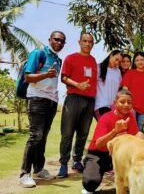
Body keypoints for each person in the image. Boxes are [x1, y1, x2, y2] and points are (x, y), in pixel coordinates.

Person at [19, 31, 66, 188]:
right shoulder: (38, 53)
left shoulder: (58, 60)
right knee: (35, 136)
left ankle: (38, 169)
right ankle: (24, 173)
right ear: (50, 39)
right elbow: (28, 77)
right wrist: (46, 74)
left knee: (43, 137)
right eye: (56, 39)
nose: (59, 43)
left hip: (51, 102)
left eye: (62, 41)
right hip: (37, 99)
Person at [81, 89, 144, 194]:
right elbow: (99, 144)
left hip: (119, 155)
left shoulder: (130, 117)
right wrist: (115, 131)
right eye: (122, 102)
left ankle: (131, 183)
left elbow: (136, 136)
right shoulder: (105, 118)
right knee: (90, 183)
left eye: (129, 102)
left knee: (140, 135)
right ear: (115, 103)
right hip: (99, 154)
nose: (126, 105)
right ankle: (89, 166)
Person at [57, 33, 97, 178]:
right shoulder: (71, 58)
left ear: (92, 44)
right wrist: (78, 85)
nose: (87, 44)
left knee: (83, 134)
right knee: (67, 133)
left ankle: (77, 161)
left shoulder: (93, 61)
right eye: (84, 41)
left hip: (90, 100)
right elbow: (63, 78)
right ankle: (63, 164)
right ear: (79, 42)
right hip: (74, 98)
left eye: (90, 42)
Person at [121, 51, 144, 132]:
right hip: (132, 108)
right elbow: (125, 89)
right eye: (137, 60)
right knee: (130, 130)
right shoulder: (130, 73)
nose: (140, 62)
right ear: (134, 62)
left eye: (142, 60)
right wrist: (128, 105)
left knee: (139, 130)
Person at [94, 50, 123, 121]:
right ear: (111, 55)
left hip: (113, 107)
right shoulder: (98, 67)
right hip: (101, 105)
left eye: (119, 62)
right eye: (116, 59)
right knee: (106, 128)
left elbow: (119, 89)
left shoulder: (118, 71)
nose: (117, 63)